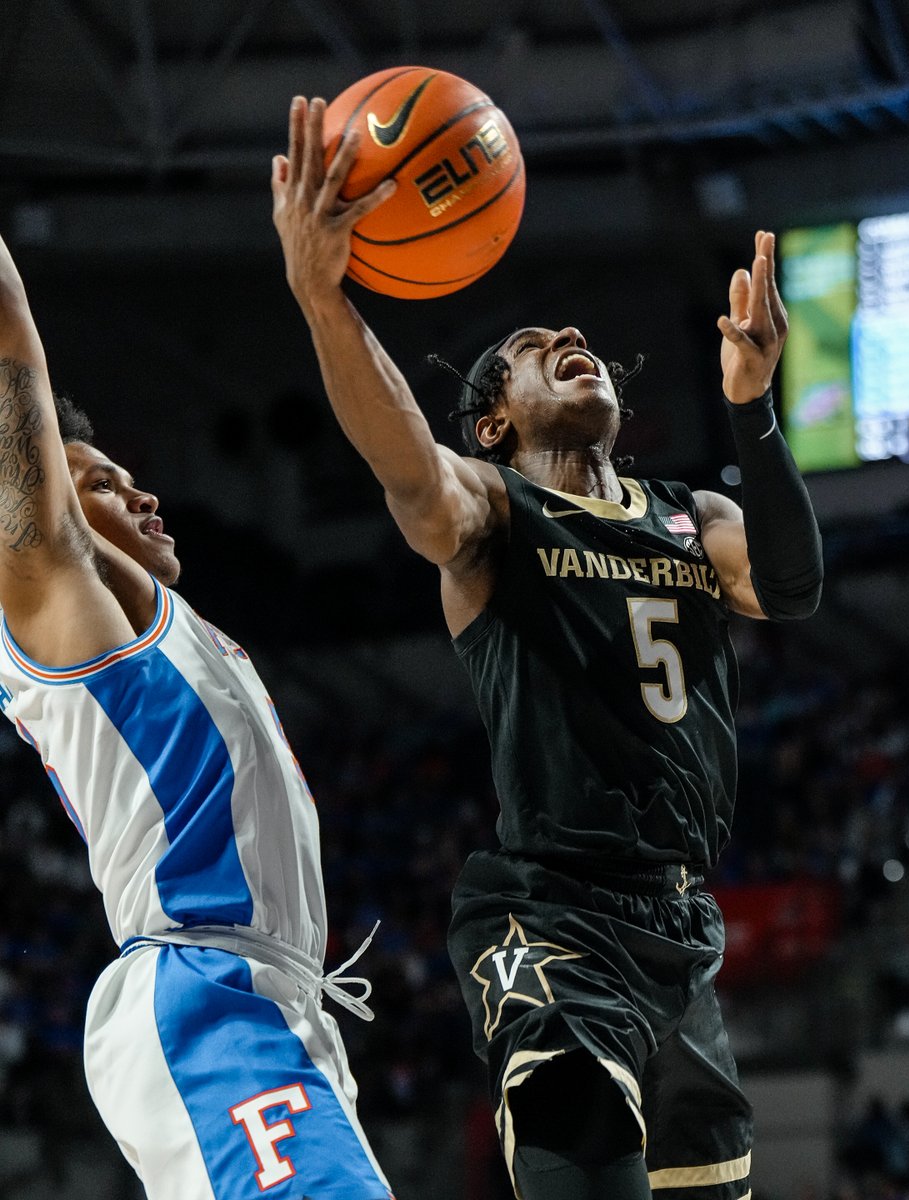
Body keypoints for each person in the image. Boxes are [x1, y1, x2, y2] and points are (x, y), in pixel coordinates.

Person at [273, 95, 823, 1200]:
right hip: (551, 914)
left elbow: (796, 587)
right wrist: (323, 298)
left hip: (680, 926)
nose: (572, 342)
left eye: (576, 340)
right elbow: (407, 467)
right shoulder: (491, 516)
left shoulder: (691, 520)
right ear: (494, 424)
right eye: (536, 350)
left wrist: (756, 411)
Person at [0, 229, 392, 1199]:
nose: (142, 489)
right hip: (205, 988)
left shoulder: (175, 626)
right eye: (98, 481)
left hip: (267, 995)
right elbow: (13, 375)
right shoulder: (61, 604)